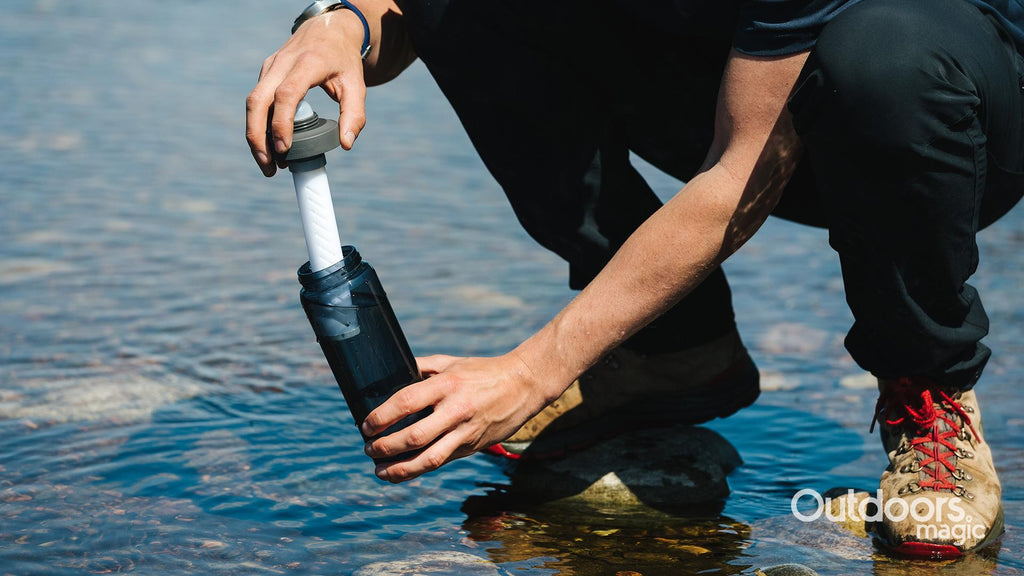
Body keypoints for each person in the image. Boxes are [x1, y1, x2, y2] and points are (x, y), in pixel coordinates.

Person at [247, 0, 1023, 557]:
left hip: (949, 103)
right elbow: (408, 17)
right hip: (749, 78)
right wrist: (339, 22)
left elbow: (736, 180)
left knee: (882, 52)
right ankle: (672, 352)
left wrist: (533, 371)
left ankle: (930, 397)